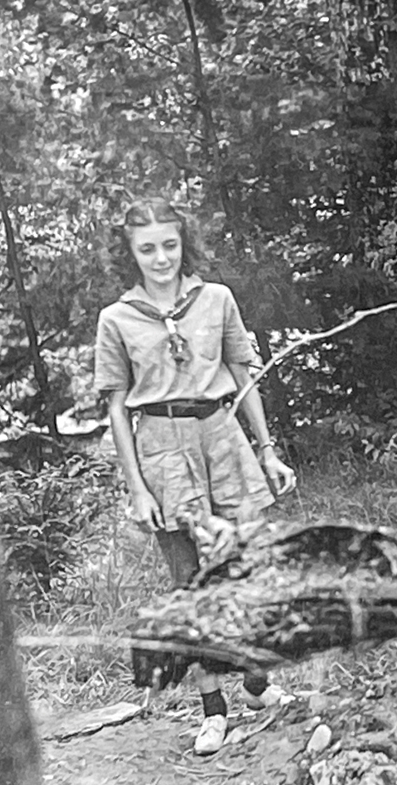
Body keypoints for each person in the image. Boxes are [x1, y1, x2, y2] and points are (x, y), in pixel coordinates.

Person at [94, 198, 297, 754]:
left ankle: (256, 682)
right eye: (147, 249)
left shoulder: (217, 300)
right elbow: (116, 408)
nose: (160, 258)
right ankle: (213, 708)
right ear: (129, 254)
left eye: (169, 245)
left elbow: (243, 373)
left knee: (243, 568)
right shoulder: (117, 319)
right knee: (189, 581)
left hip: (222, 437)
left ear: (185, 243)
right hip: (161, 448)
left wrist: (268, 450)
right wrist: (137, 488)